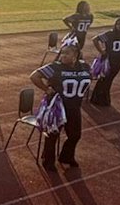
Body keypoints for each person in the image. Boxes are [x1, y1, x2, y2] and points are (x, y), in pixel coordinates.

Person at [30, 40, 92, 170]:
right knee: (53, 135)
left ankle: (66, 156)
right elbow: (34, 76)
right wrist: (46, 89)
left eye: (67, 53)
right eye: (62, 53)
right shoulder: (55, 67)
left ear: (76, 55)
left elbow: (90, 79)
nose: (63, 55)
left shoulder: (85, 67)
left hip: (74, 107)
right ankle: (48, 161)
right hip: (57, 107)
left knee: (75, 135)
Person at [89, 17, 120, 107]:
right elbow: (95, 39)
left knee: (109, 79)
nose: (119, 26)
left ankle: (101, 98)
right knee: (104, 79)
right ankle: (98, 99)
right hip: (108, 60)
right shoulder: (110, 34)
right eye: (117, 24)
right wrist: (102, 51)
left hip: (119, 60)